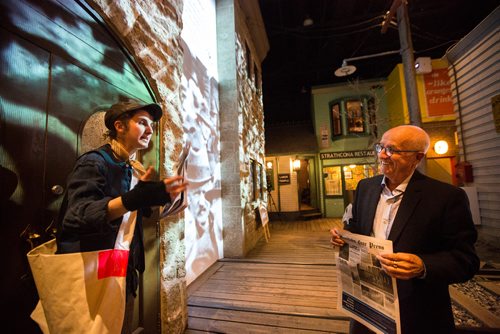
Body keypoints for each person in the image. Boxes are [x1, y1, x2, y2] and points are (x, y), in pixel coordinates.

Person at [330, 125, 479, 334]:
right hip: (366, 310)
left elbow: (466, 260)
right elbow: (356, 226)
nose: (381, 155)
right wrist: (344, 237)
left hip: (417, 315)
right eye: (380, 147)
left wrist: (422, 266)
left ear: (417, 158)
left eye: (391, 150)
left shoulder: (446, 198)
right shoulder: (366, 187)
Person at [56, 98, 188, 333]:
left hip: (121, 268)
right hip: (90, 273)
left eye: (152, 126)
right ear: (119, 126)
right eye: (142, 122)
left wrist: (155, 200)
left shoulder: (130, 166)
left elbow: (129, 219)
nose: (150, 130)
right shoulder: (94, 163)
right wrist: (134, 199)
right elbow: (78, 215)